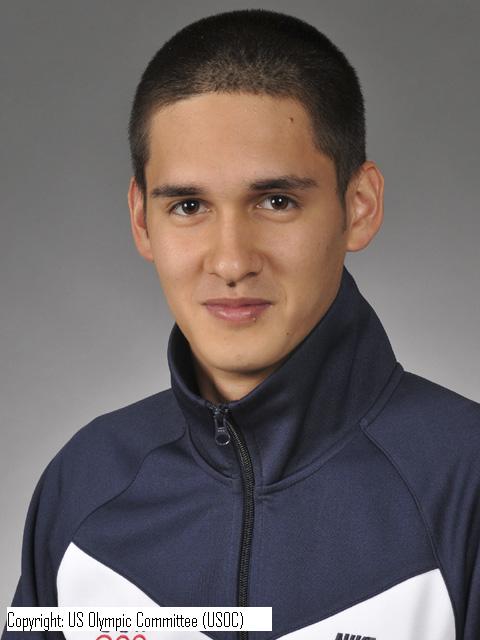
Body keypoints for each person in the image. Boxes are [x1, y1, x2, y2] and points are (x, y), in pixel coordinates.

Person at [3, 8, 479, 640]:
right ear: (142, 221)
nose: (231, 262)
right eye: (188, 205)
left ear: (359, 207)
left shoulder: (466, 482)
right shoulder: (85, 483)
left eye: (276, 201)